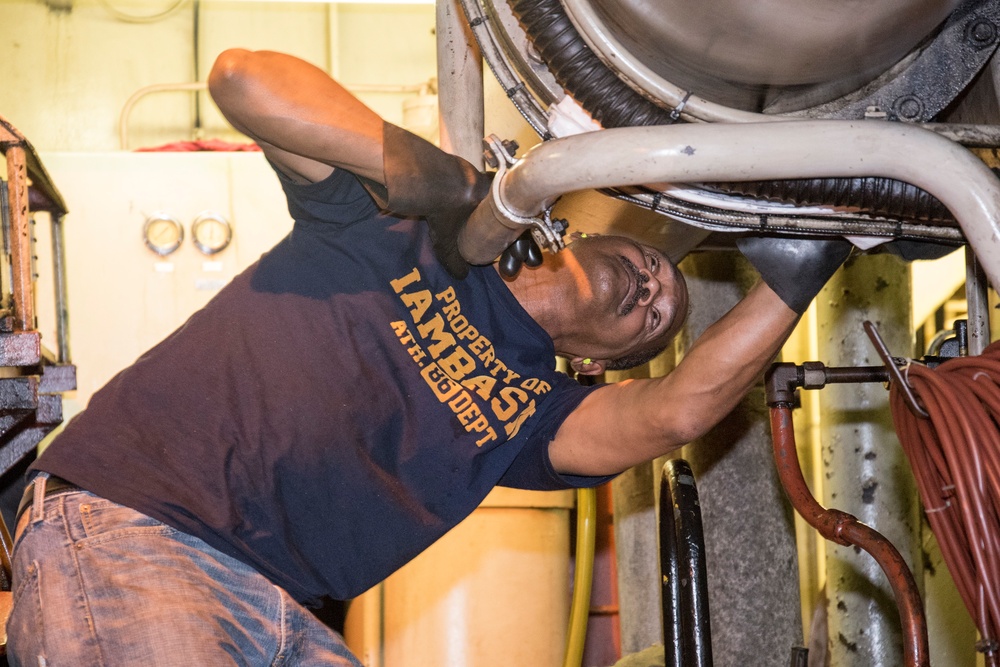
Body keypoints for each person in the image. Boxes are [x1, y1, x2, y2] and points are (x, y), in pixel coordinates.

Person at [5, 49, 849, 665]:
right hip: (139, 532)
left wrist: (797, 276)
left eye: (656, 322)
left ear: (594, 365)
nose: (655, 292)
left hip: (282, 609)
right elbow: (241, 79)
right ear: (583, 233)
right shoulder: (395, 228)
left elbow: (678, 411)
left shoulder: (533, 418)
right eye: (649, 268)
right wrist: (443, 181)